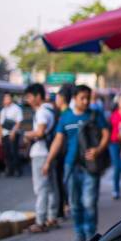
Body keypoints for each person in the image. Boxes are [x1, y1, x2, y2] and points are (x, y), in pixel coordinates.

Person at [43, 85, 110, 241]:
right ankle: (79, 234)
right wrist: (48, 161)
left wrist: (98, 150)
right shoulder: (66, 117)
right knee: (75, 203)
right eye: (82, 98)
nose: (86, 101)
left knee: (89, 202)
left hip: (90, 166)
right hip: (71, 166)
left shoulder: (95, 114)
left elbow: (106, 134)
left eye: (88, 98)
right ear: (74, 98)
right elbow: (58, 140)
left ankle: (91, 236)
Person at [23, 84, 59, 232]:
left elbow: (39, 132)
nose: (28, 100)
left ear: (37, 96)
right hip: (47, 152)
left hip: (41, 153)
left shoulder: (42, 112)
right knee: (51, 187)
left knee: (41, 188)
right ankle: (52, 218)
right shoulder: (50, 109)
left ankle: (40, 221)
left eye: (29, 97)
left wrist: (26, 134)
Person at [54, 84, 73, 220]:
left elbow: (60, 138)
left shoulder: (65, 115)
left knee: (61, 182)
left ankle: (62, 208)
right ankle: (64, 205)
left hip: (62, 154)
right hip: (64, 153)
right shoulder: (64, 113)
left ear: (62, 98)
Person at [0, 93, 23, 177]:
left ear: (11, 99)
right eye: (4, 98)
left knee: (14, 152)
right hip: (5, 134)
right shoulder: (3, 111)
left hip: (14, 134)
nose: (5, 100)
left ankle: (17, 170)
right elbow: (0, 124)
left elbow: (19, 122)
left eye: (7, 98)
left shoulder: (16, 109)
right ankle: (9, 170)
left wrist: (13, 132)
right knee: (6, 153)